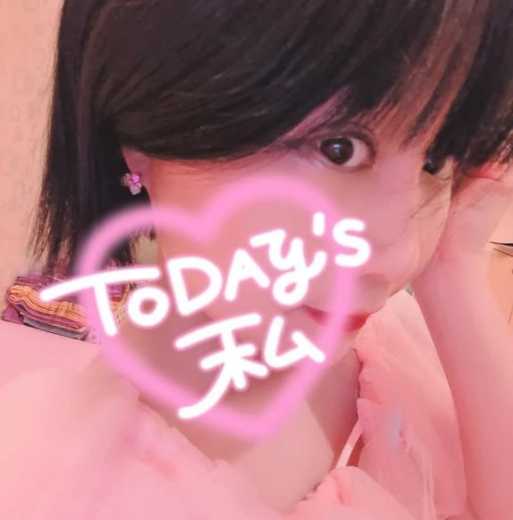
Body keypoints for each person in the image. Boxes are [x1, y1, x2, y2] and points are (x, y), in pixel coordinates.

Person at [0, 1, 512, 518]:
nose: (400, 258)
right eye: (339, 148)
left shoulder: (391, 342)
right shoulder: (65, 492)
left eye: (435, 159)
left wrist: (454, 271)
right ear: (144, 128)